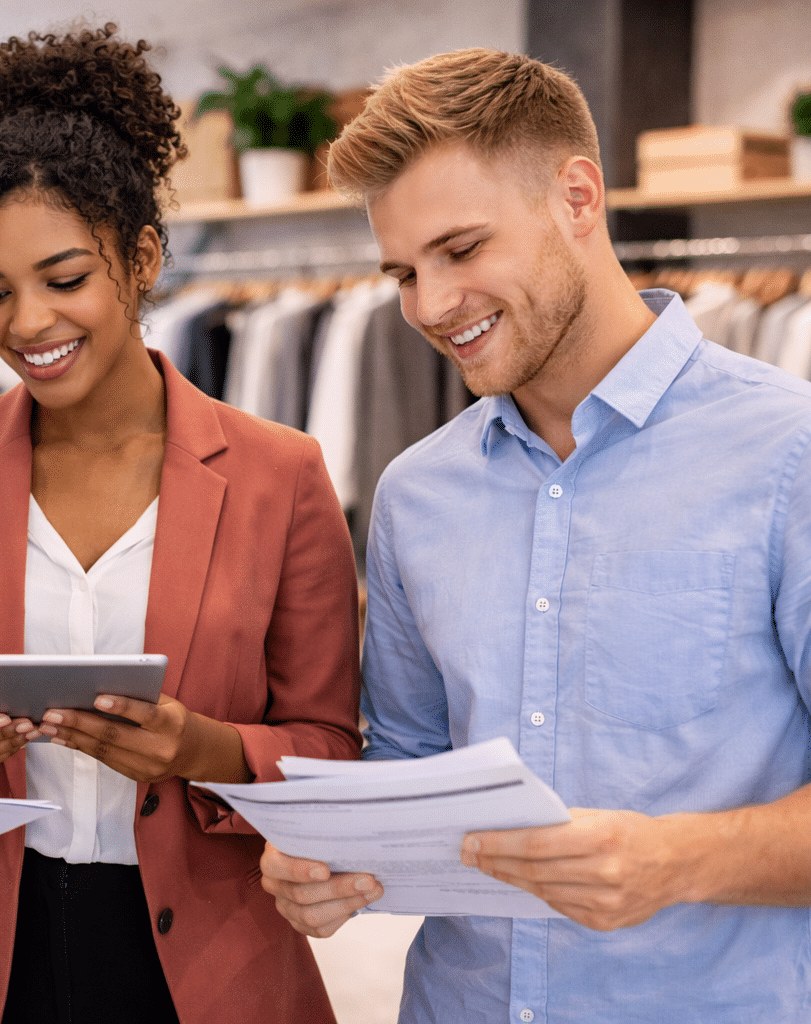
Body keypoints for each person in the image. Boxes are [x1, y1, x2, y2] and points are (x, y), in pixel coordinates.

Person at [259, 47, 811, 1022]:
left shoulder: (789, 454)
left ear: (578, 198)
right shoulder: (415, 494)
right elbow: (411, 766)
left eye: (463, 249)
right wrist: (332, 861)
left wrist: (676, 859)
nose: (431, 306)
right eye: (404, 272)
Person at [0, 24, 363, 1024]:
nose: (28, 323)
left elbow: (331, 748)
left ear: (141, 258)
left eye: (65, 279)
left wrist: (200, 747)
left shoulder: (281, 474)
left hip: (211, 959)